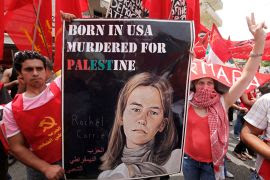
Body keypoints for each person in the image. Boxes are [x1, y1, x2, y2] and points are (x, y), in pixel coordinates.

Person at [183, 13, 266, 180]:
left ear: (215, 85)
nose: (205, 86)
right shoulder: (187, 99)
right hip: (188, 161)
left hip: (211, 166)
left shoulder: (223, 101)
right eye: (201, 83)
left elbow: (247, 75)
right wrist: (186, 58)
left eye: (209, 83)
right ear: (194, 84)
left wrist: (259, 42)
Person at [98, 72, 181, 179]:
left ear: (162, 124)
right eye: (136, 109)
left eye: (153, 112)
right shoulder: (108, 176)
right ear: (121, 116)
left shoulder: (174, 161)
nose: (142, 120)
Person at [2, 51, 64, 180]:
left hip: (73, 159)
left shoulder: (60, 85)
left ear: (46, 71)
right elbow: (16, 146)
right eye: (29, 69)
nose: (35, 73)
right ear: (20, 74)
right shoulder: (11, 110)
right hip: (40, 169)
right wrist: (45, 168)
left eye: (39, 68)